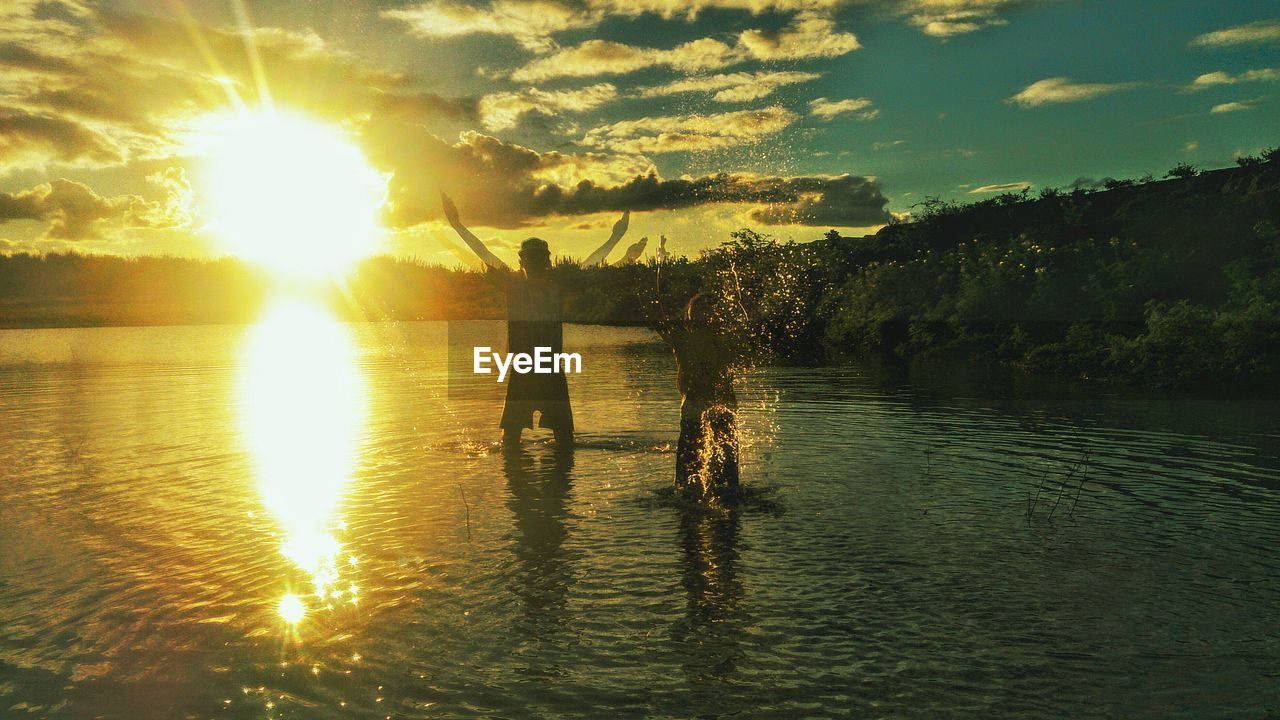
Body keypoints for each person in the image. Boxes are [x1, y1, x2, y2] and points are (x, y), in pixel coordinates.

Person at [440, 192, 630, 447]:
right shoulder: (514, 285)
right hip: (524, 370)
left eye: (540, 257)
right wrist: (457, 225)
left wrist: (616, 237)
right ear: (523, 261)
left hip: (549, 369)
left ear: (547, 260)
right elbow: (483, 253)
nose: (537, 262)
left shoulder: (555, 286)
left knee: (563, 439)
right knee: (512, 439)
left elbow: (594, 264)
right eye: (532, 257)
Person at [656, 291, 742, 502]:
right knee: (722, 462)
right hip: (713, 405)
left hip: (706, 405)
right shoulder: (720, 337)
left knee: (694, 465)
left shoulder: (683, 336)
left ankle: (697, 501)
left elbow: (654, 318)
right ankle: (727, 501)